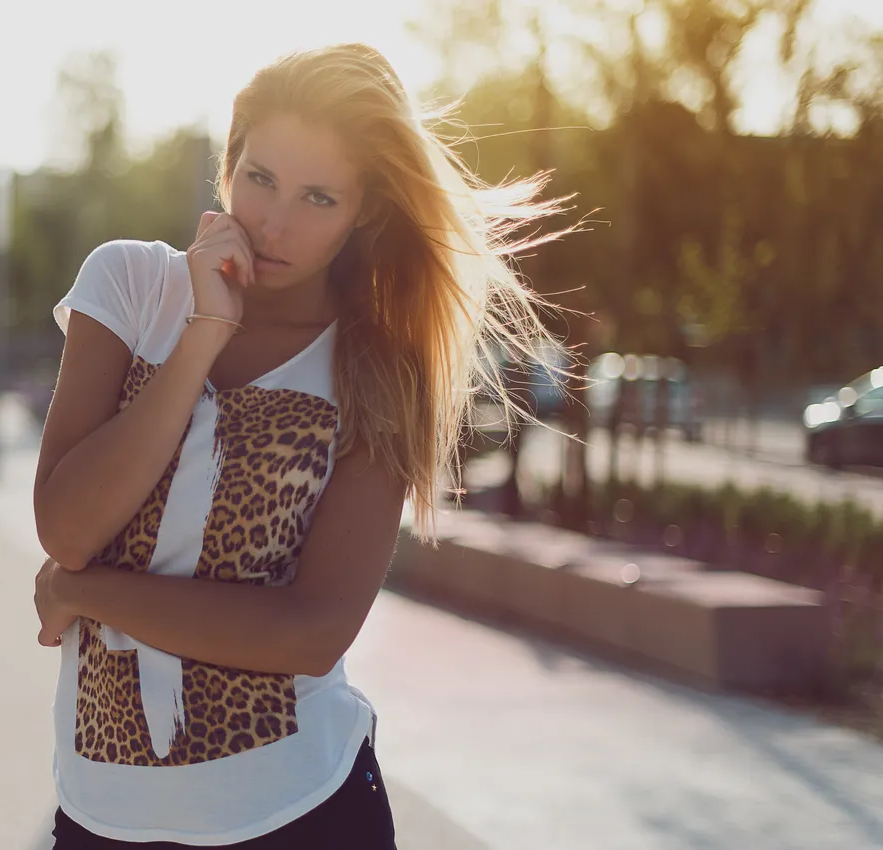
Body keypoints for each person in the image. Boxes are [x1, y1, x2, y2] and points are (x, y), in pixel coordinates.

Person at [32, 42, 573, 848]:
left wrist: (90, 596)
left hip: (300, 813)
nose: (274, 223)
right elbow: (67, 529)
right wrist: (203, 335)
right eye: (260, 179)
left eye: (319, 197)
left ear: (366, 212)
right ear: (230, 162)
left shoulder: (378, 365)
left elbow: (311, 633)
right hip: (102, 813)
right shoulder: (131, 286)